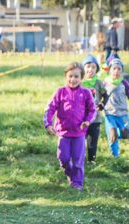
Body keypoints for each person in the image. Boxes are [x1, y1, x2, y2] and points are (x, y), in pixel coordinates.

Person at [44, 62, 96, 190]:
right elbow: (50, 108)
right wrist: (48, 124)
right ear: (66, 76)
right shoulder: (60, 92)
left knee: (78, 160)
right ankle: (69, 173)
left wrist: (88, 121)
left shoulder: (86, 92)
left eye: (76, 77)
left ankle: (77, 183)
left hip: (79, 132)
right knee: (63, 158)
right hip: (63, 132)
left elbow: (92, 110)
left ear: (81, 78)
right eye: (70, 76)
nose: (73, 79)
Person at [103, 58, 129, 157]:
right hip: (109, 114)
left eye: (119, 69)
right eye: (114, 68)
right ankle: (115, 156)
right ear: (110, 70)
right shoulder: (105, 83)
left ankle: (117, 133)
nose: (116, 71)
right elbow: (98, 96)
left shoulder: (124, 83)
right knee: (112, 135)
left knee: (126, 134)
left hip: (122, 114)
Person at [81, 54, 107, 164]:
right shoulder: (79, 82)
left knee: (92, 142)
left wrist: (102, 103)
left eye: (93, 67)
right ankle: (79, 160)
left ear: (97, 69)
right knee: (80, 140)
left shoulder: (98, 82)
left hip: (95, 118)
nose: (90, 69)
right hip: (81, 118)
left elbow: (106, 95)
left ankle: (91, 160)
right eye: (88, 66)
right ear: (83, 69)